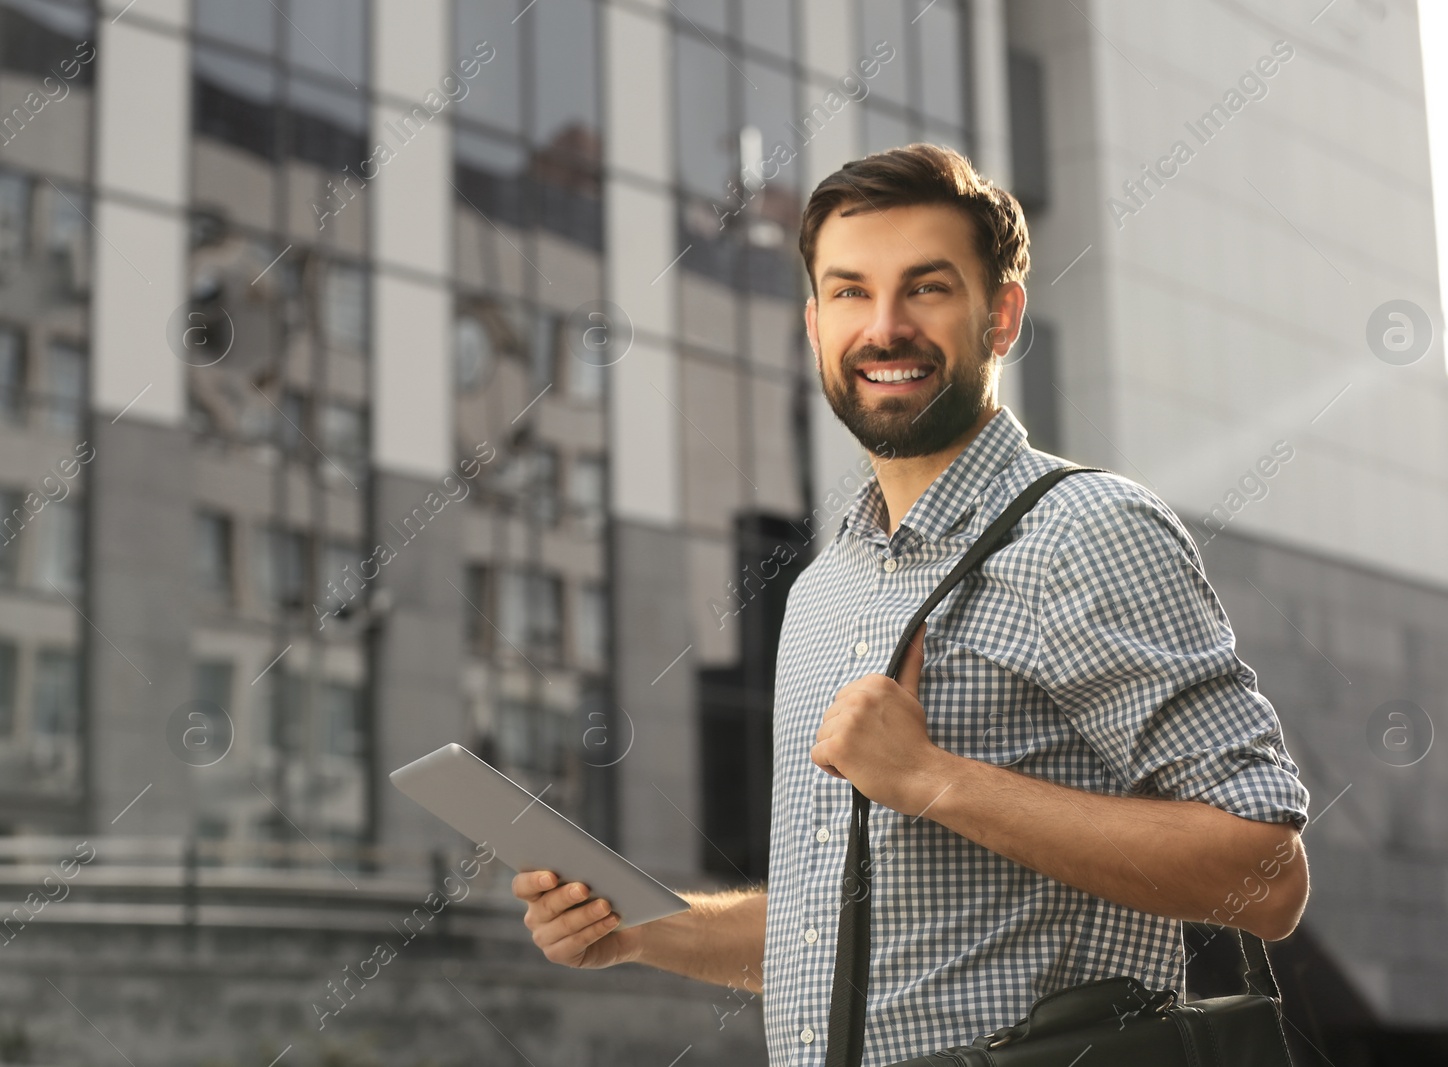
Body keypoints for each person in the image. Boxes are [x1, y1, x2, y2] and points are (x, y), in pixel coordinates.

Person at [513, 143, 1312, 1065]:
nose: (884, 327)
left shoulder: (1089, 529)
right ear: (813, 323)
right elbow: (831, 941)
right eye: (850, 292)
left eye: (927, 288)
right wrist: (642, 930)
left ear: (1002, 315)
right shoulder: (823, 591)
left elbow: (1265, 875)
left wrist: (935, 778)